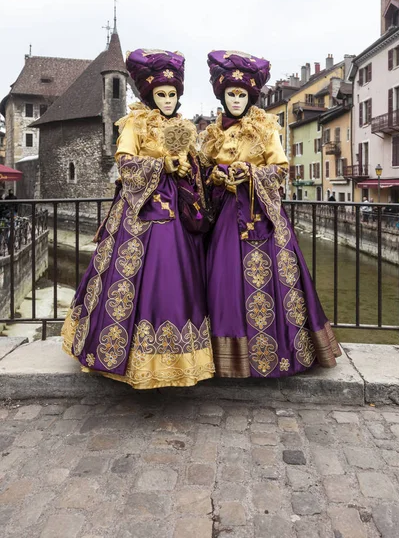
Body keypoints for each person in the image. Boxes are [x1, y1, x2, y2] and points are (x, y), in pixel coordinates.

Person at [62, 49, 215, 389]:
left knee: (178, 279)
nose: (167, 100)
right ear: (149, 95)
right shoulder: (136, 122)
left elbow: (196, 170)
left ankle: (177, 358)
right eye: (161, 94)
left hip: (178, 217)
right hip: (139, 215)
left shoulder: (183, 127)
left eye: (172, 94)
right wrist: (163, 165)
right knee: (130, 278)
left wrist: (190, 167)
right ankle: (123, 356)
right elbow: (126, 163)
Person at [200, 50, 340, 378]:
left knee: (271, 285)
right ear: (222, 95)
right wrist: (217, 177)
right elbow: (201, 173)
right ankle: (227, 359)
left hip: (261, 221)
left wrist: (249, 173)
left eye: (242, 95)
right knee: (223, 282)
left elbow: (279, 170)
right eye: (231, 94)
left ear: (250, 97)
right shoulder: (211, 135)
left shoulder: (265, 128)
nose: (236, 100)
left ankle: (280, 354)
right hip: (223, 221)